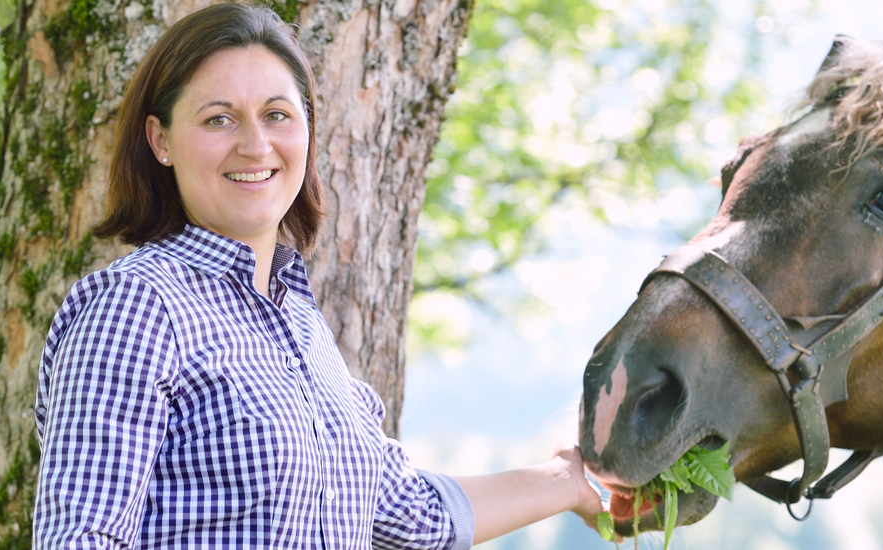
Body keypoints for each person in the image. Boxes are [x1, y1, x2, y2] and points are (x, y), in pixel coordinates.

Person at [31, 3, 603, 549]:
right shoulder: (135, 306)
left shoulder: (300, 326)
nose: (255, 145)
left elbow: (408, 513)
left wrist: (572, 482)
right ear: (160, 140)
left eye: (277, 115)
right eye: (218, 118)